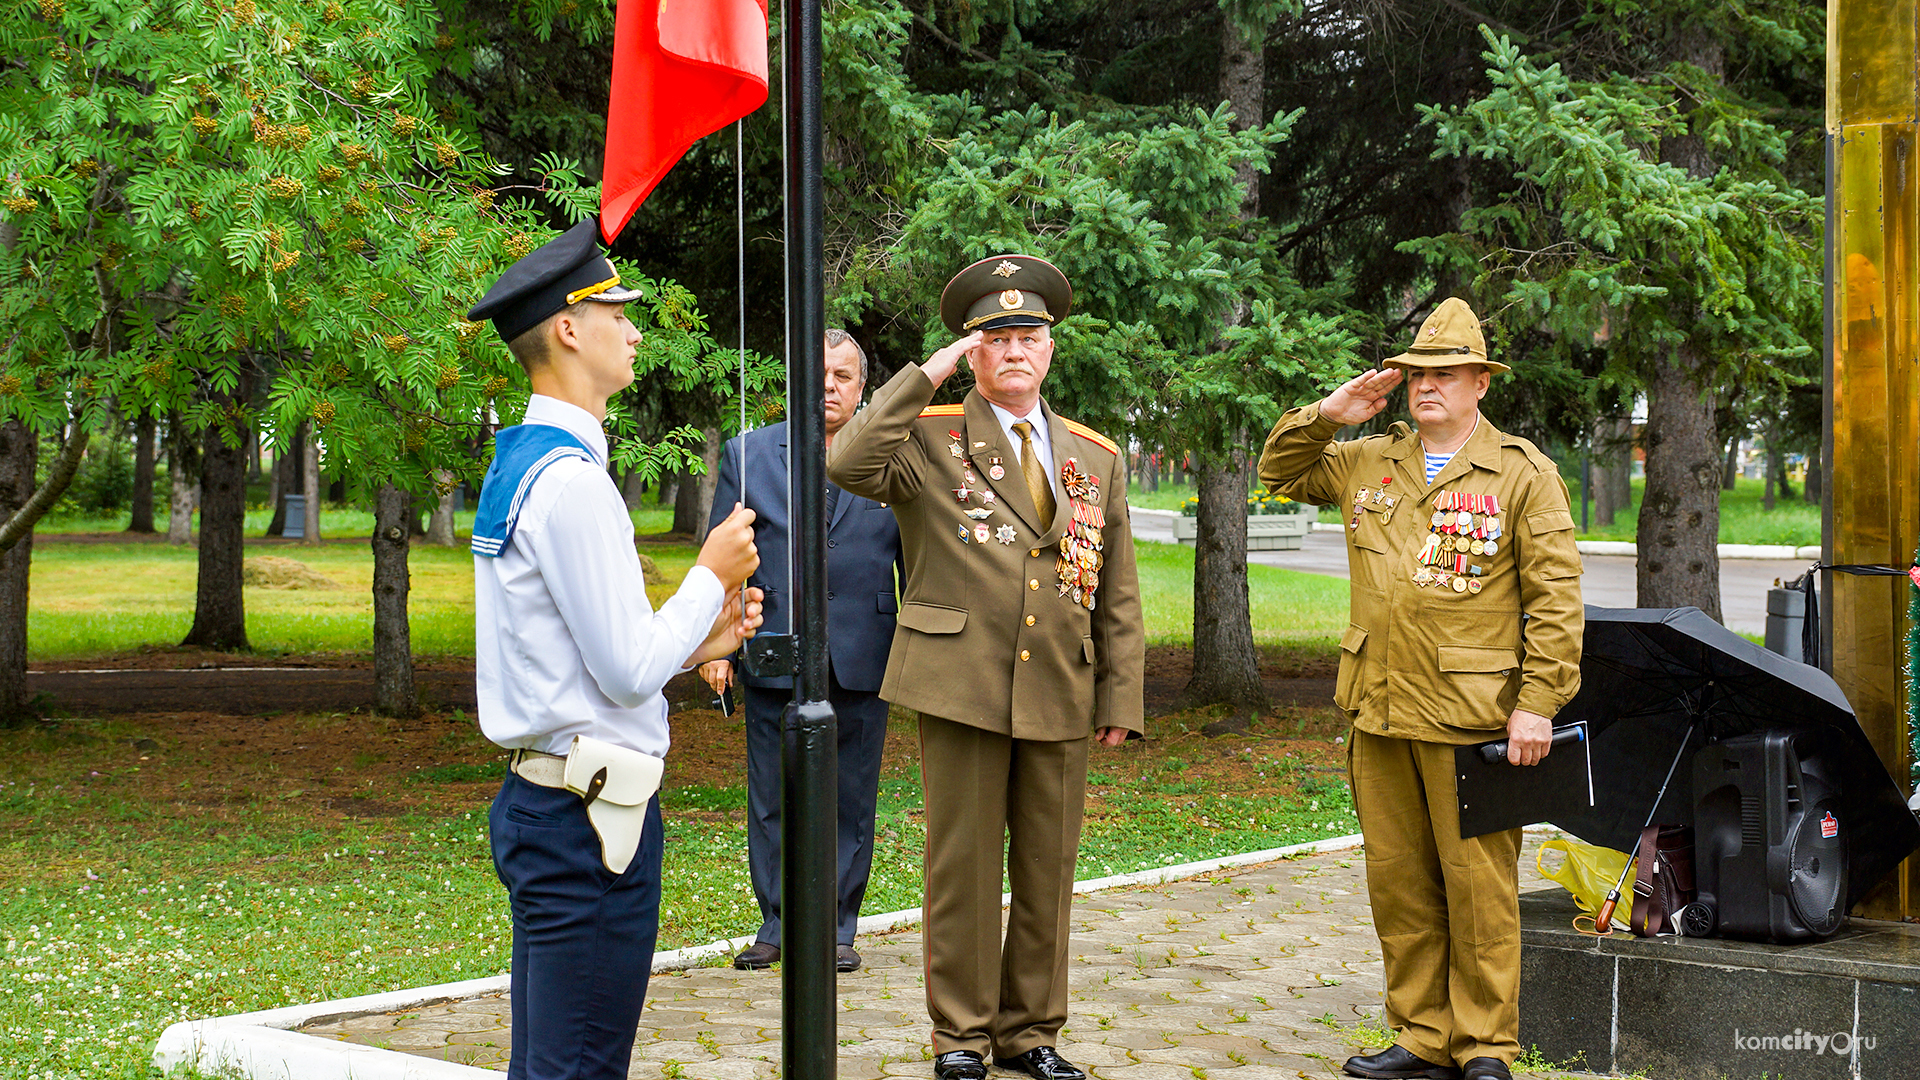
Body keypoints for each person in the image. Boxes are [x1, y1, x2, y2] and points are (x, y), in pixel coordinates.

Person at [828, 254, 1145, 1080]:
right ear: (971, 353)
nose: (1015, 350)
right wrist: (919, 375)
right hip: (960, 679)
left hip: (1061, 684)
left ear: (1050, 349)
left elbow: (1117, 590)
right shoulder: (929, 437)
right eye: (995, 338)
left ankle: (1032, 1032)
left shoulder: (1093, 456)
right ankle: (961, 1038)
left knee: (1049, 867)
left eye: (1028, 336)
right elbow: (849, 462)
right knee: (962, 870)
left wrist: (1122, 693)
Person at [465, 219, 765, 1080]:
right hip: (585, 820)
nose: (634, 331)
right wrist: (709, 575)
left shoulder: (528, 460)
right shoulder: (570, 483)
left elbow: (585, 656)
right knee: (578, 1070)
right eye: (617, 313)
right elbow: (627, 667)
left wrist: (698, 637)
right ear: (568, 327)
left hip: (560, 803)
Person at [1257, 297, 1584, 1080]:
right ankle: (1421, 1036)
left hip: (1475, 716)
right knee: (1399, 882)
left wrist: (1537, 703)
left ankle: (1485, 1045)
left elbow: (1557, 599)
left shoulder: (1521, 472)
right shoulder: (1369, 459)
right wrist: (1330, 413)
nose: (1425, 385)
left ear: (1480, 382)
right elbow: (1278, 471)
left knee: (1478, 890)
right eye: (1415, 373)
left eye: (1444, 373)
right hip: (1380, 706)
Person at [698, 329, 904, 975]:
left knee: (850, 796)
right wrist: (715, 643)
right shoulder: (750, 453)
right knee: (773, 794)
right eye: (816, 374)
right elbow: (722, 553)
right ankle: (777, 923)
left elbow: (920, 559)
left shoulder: (896, 455)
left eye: (843, 376)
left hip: (864, 650)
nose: (829, 386)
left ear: (862, 387)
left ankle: (838, 927)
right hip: (775, 646)